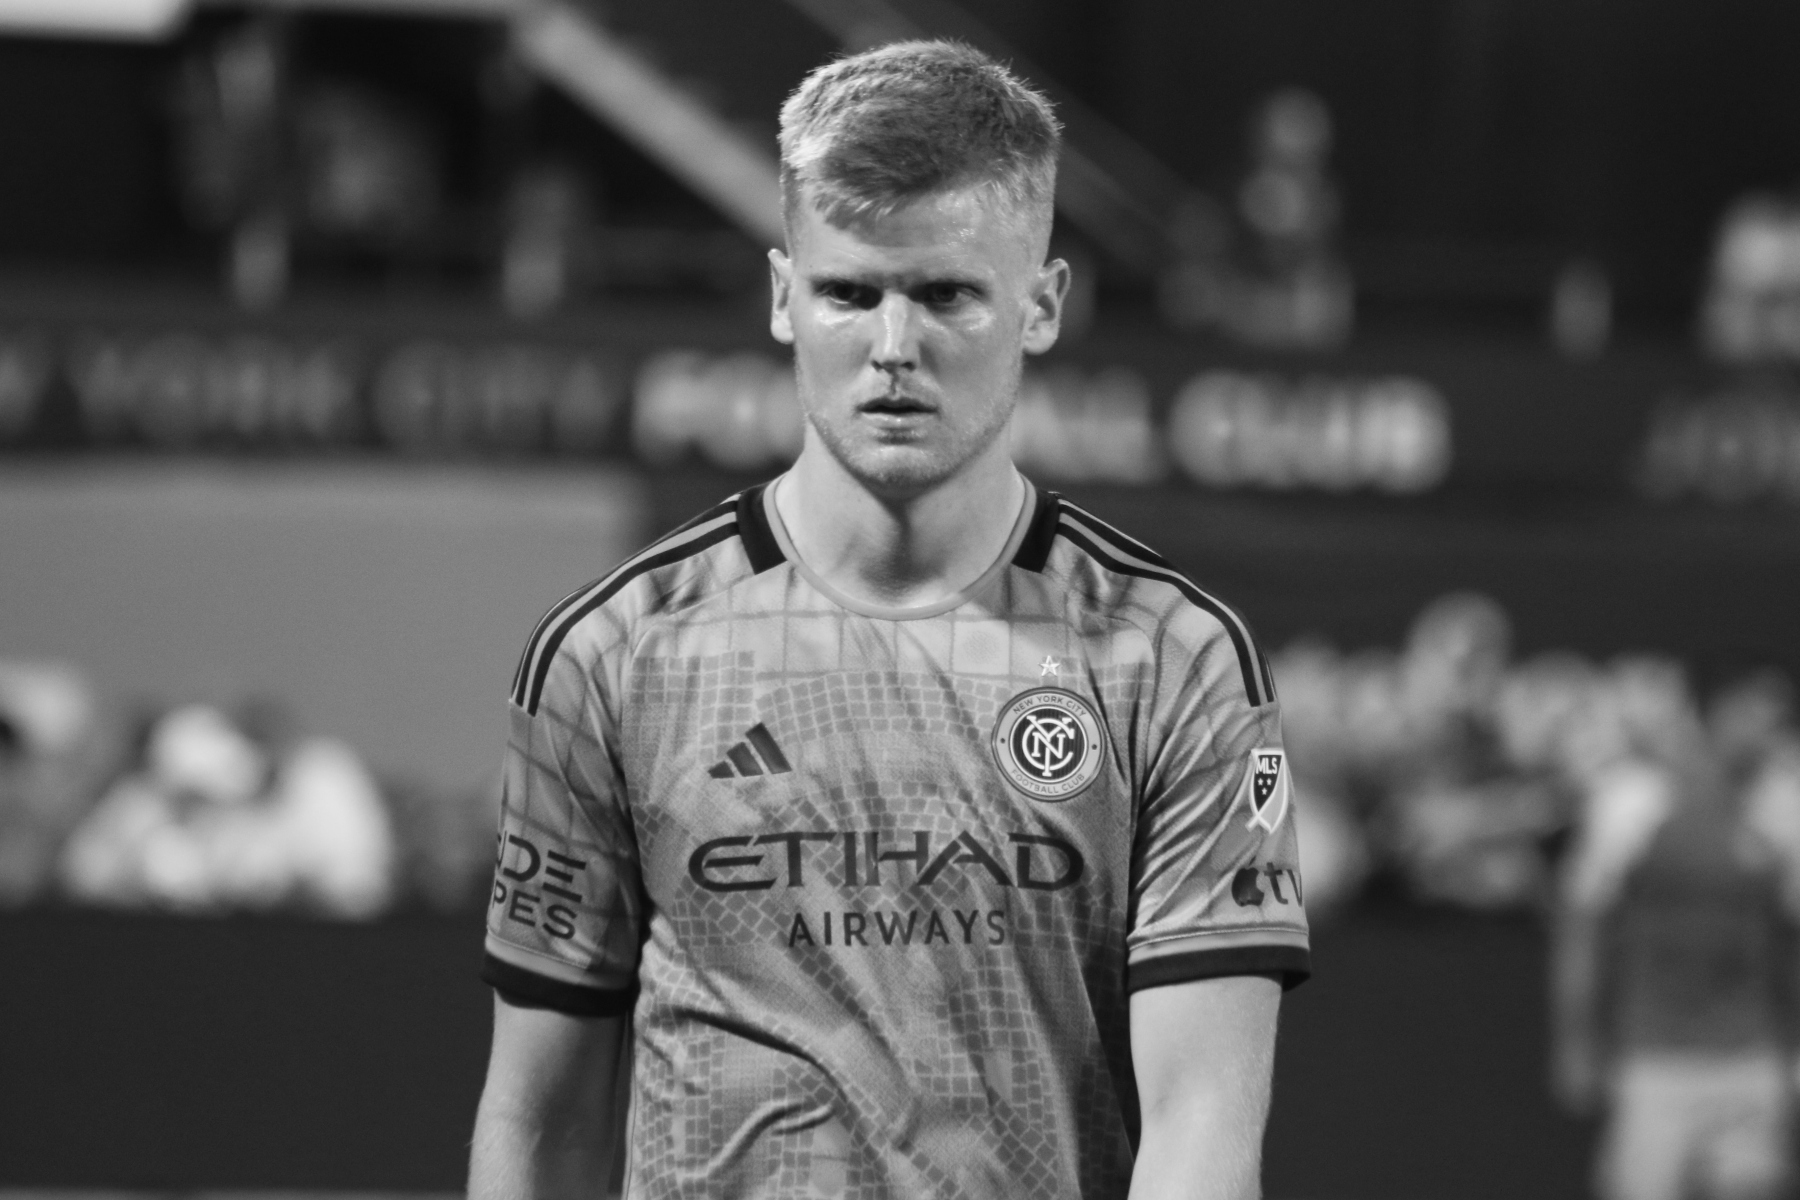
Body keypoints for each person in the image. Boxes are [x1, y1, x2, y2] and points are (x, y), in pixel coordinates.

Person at [469, 40, 1309, 1200]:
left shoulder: (1173, 663)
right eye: (849, 293)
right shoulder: (614, 655)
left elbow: (1201, 1129)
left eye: (947, 295)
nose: (894, 348)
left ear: (1042, 305)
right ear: (782, 297)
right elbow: (539, 1126)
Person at [1552, 665, 1800, 1200]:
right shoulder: (1635, 801)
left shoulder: (1785, 807)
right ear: (1713, 715)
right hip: (1656, 1058)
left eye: (1781, 720)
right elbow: (1585, 927)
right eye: (1759, 716)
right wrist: (1577, 1039)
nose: (1773, 732)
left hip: (1754, 1056)